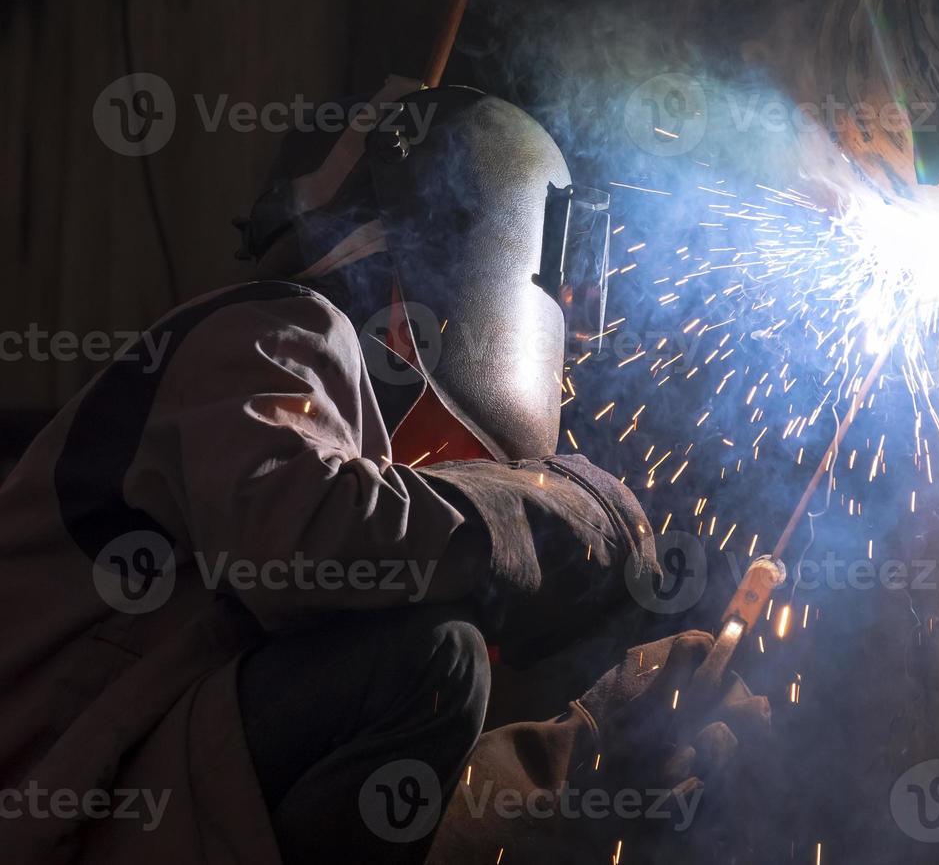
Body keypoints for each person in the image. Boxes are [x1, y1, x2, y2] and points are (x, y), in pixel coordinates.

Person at [0, 82, 769, 864]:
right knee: (437, 657)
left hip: (115, 822)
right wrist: (549, 511)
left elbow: (417, 820)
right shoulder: (274, 330)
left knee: (437, 667)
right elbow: (295, 537)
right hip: (42, 814)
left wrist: (599, 753)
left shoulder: (341, 635)